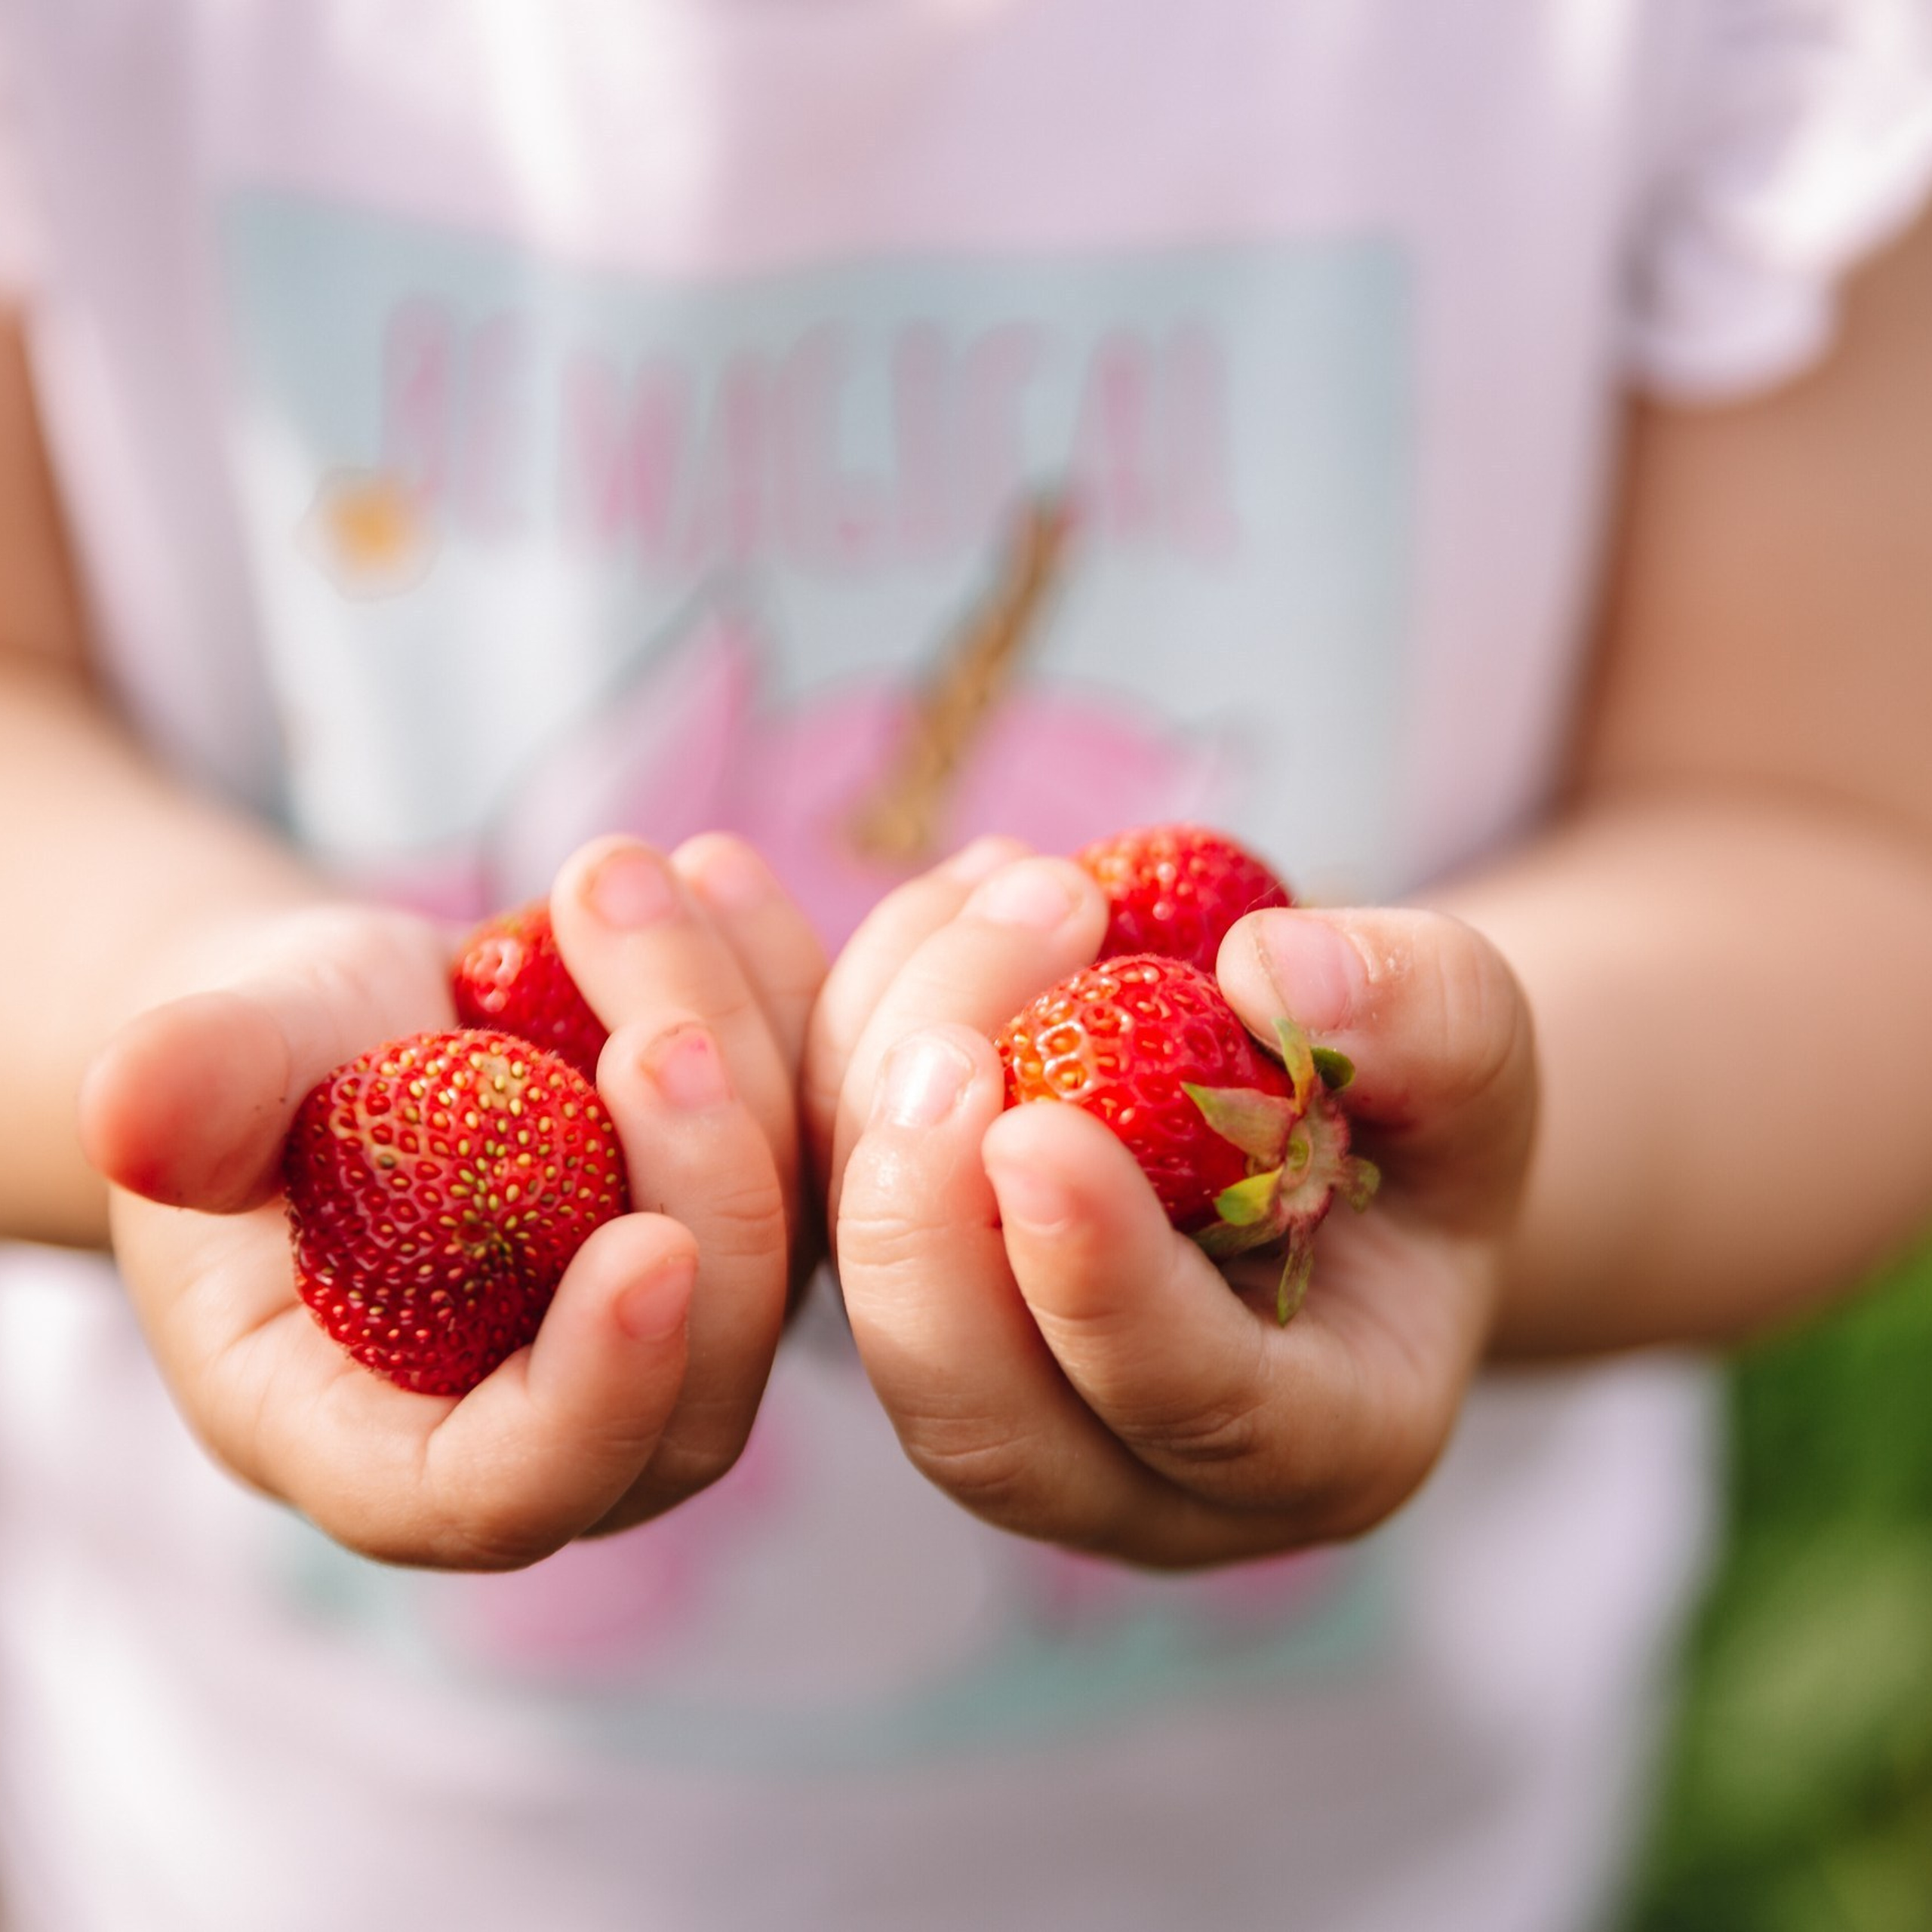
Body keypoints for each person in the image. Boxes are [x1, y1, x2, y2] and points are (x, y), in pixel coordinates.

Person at [2, 2, 1931, 1927]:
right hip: (301, 1837)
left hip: (1328, 1857)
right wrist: (199, 1013)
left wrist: (1460, 1150)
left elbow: (1842, 858)